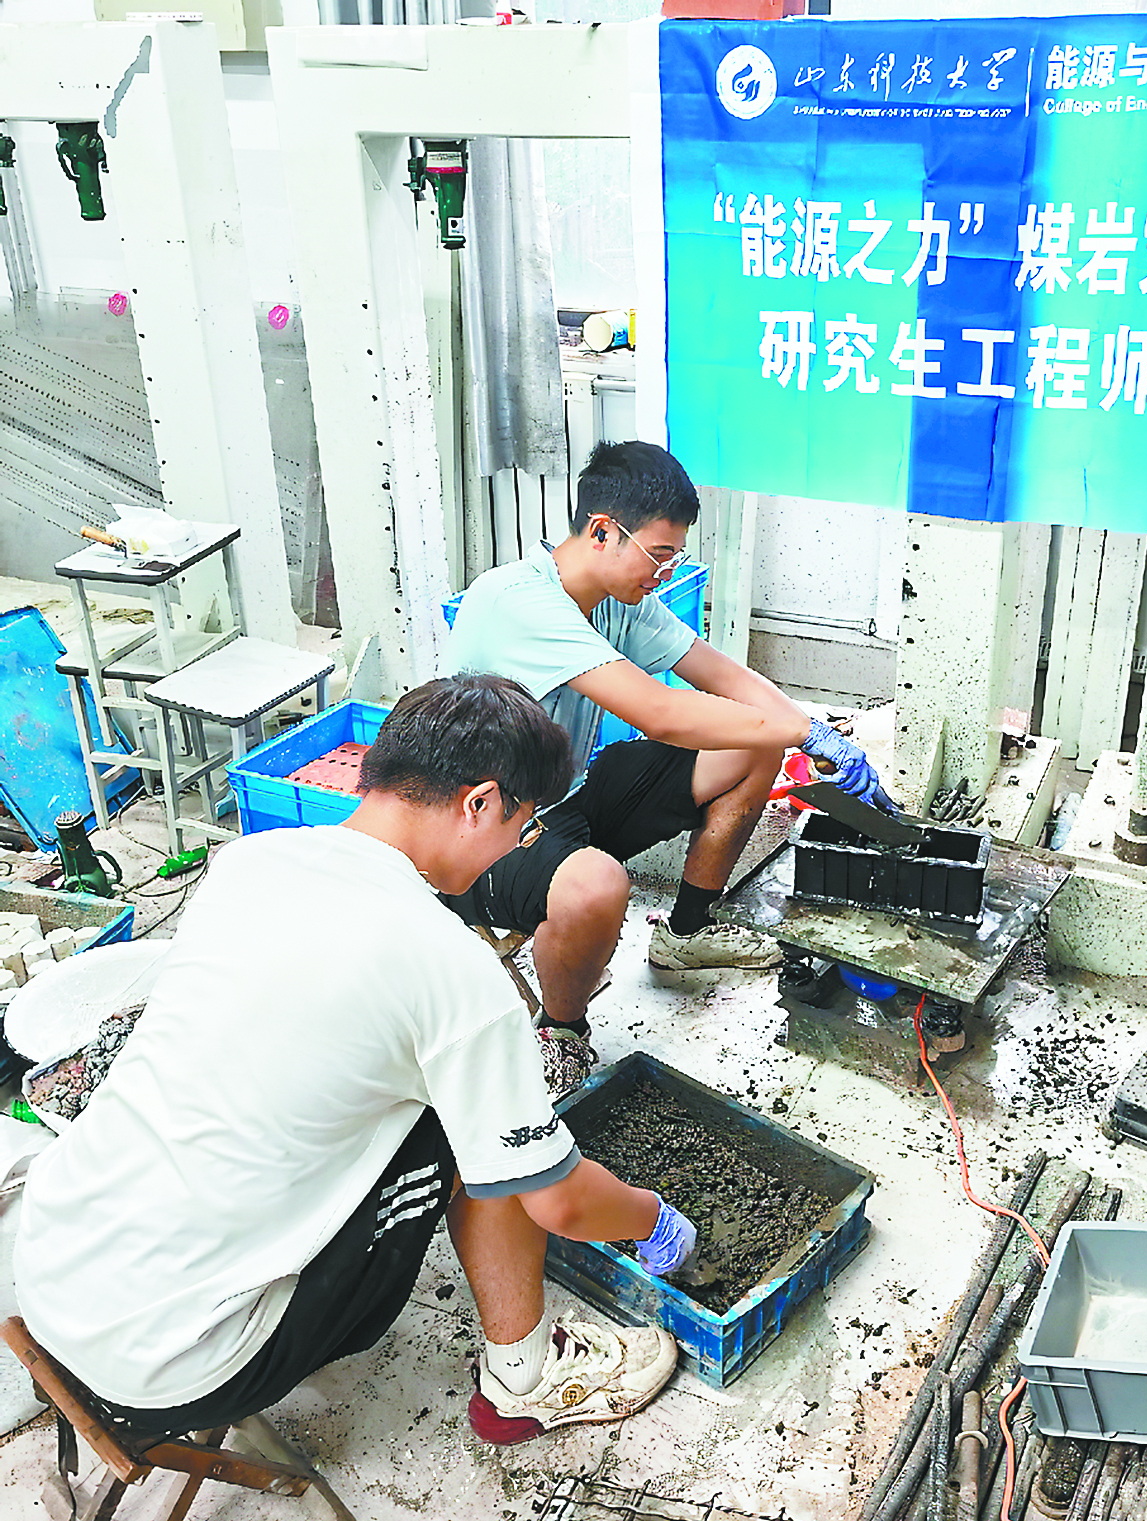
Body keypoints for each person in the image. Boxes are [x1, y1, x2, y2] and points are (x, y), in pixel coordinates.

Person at [14, 675, 699, 1448]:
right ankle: (524, 1381)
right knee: (479, 1129)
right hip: (177, 1367)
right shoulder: (453, 971)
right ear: (479, 803)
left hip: (52, 1273)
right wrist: (651, 1217)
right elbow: (559, 1203)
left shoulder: (249, 862)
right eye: (524, 824)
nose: (519, 846)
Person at [441, 439, 896, 1046]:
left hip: (566, 798)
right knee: (597, 886)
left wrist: (817, 732)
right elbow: (660, 714)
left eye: (675, 557)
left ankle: (686, 932)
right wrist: (805, 733)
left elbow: (723, 675)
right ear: (602, 532)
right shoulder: (518, 601)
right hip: (483, 835)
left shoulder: (619, 600)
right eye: (659, 555)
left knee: (752, 746)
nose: (667, 572)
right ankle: (562, 1034)